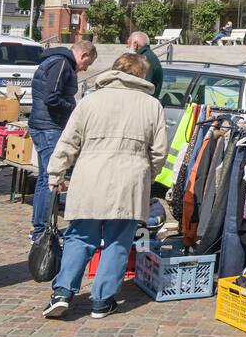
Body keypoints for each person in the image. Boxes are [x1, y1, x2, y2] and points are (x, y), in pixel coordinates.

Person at [42, 52, 168, 319]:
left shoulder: (91, 101)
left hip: (91, 175)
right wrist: (148, 175)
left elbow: (68, 141)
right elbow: (159, 152)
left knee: (80, 236)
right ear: (141, 75)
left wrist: (56, 173)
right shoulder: (151, 105)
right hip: (130, 178)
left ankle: (63, 292)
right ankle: (102, 300)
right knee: (118, 241)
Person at [27, 40, 97, 245]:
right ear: (83, 55)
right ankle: (43, 230)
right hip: (48, 126)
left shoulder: (56, 61)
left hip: (43, 124)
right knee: (52, 179)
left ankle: (39, 227)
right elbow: (52, 97)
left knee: (44, 178)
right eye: (88, 64)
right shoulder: (61, 64)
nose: (85, 69)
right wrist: (72, 108)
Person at [127, 30, 164, 98]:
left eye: (129, 44)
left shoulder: (143, 59)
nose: (127, 46)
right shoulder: (149, 56)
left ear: (135, 45)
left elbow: (144, 86)